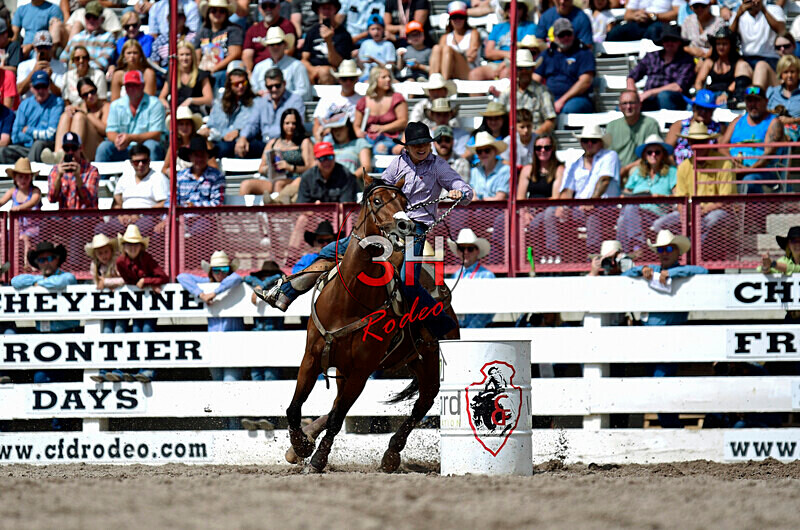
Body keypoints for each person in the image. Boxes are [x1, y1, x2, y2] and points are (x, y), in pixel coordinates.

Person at [260, 121, 473, 342]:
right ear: (407, 146)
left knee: (409, 283)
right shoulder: (398, 163)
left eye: (425, 143)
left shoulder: (438, 166)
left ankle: (441, 324)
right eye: (415, 144)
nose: (421, 147)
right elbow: (382, 188)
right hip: (388, 224)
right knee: (331, 250)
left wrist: (460, 192)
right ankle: (287, 291)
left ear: (430, 145)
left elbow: (464, 188)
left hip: (414, 229)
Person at [622, 230, 707, 428]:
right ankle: (672, 428)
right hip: (650, 341)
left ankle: (672, 428)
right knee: (657, 386)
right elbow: (626, 274)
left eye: (669, 248)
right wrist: (642, 269)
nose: (665, 253)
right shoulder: (652, 269)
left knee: (660, 384)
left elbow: (704, 272)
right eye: (661, 249)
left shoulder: (685, 273)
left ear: (678, 252)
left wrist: (673, 273)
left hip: (671, 341)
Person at [654, 122, 736, 244]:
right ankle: (684, 249)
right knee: (658, 225)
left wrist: (702, 211)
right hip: (691, 212)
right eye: (694, 142)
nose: (697, 146)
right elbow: (681, 199)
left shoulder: (724, 164)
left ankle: (691, 250)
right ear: (690, 144)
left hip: (716, 213)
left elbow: (725, 200)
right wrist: (685, 215)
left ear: (708, 142)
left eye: (701, 142)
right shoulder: (683, 167)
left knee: (713, 218)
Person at [553, 124, 620, 255]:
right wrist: (562, 206)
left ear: (601, 142)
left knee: (592, 215)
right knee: (551, 214)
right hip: (578, 209)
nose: (589, 144)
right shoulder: (575, 163)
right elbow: (567, 190)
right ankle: (554, 255)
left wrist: (592, 201)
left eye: (593, 140)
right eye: (585, 140)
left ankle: (592, 256)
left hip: (605, 209)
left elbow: (604, 180)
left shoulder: (610, 156)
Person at [116, 224, 168, 376]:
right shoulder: (120, 262)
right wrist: (148, 283)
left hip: (150, 302)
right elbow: (129, 282)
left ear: (140, 246)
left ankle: (148, 370)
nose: (132, 248)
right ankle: (135, 370)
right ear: (124, 246)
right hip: (136, 301)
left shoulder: (147, 258)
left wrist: (147, 281)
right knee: (136, 332)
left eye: (135, 245)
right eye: (129, 245)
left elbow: (163, 277)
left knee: (147, 331)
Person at [616, 134, 677, 254]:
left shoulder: (671, 172)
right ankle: (632, 251)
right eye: (649, 152)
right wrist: (624, 196)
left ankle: (631, 249)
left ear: (663, 154)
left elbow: (678, 196)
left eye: (657, 152)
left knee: (627, 214)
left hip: (659, 213)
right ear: (644, 155)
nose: (653, 155)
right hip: (636, 214)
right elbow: (627, 193)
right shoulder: (637, 172)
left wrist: (662, 197)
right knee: (624, 217)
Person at [720, 84, 784, 193]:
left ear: (766, 101)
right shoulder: (737, 121)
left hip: (762, 172)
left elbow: (768, 154)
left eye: (757, 101)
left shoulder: (773, 122)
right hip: (734, 168)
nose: (753, 105)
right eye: (749, 101)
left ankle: (750, 210)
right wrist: (733, 162)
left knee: (749, 181)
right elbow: (722, 147)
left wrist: (749, 169)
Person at [11, 242, 78, 341]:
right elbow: (15, 281)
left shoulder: (67, 276)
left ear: (57, 259)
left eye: (50, 258)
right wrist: (37, 281)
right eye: (42, 260)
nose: (46, 263)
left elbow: (59, 282)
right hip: (41, 334)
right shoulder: (36, 279)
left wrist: (38, 283)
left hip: (67, 333)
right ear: (37, 263)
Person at [240, 108, 314, 196]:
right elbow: (261, 168)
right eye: (287, 123)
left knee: (279, 184)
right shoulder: (273, 143)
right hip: (273, 179)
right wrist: (270, 168)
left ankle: (275, 207)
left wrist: (290, 167)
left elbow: (310, 167)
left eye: (294, 123)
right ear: (282, 124)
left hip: (294, 180)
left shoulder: (304, 142)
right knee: (246, 185)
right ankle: (240, 209)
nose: (290, 126)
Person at [97, 70, 166, 162]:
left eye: (135, 85)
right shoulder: (116, 105)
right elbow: (110, 131)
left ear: (142, 86)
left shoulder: (155, 104)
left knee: (152, 145)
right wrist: (118, 140)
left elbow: (156, 134)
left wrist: (130, 138)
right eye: (128, 85)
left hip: (144, 147)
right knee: (104, 147)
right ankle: (99, 176)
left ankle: (152, 176)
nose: (131, 88)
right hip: (123, 148)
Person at [236, 68, 304, 158]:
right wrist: (243, 137)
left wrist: (274, 142)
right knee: (240, 148)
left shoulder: (295, 101)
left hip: (285, 144)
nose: (274, 89)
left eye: (277, 85)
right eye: (270, 87)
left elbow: (297, 126)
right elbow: (252, 124)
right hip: (263, 143)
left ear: (284, 83)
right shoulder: (261, 102)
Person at [626, 24, 694, 111]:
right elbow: (631, 76)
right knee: (625, 103)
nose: (669, 43)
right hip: (648, 99)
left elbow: (678, 87)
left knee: (664, 96)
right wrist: (632, 95)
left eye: (673, 40)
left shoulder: (686, 60)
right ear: (662, 42)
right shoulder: (652, 56)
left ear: (679, 42)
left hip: (673, 99)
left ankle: (669, 124)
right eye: (666, 40)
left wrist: (650, 93)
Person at [534, 18, 596, 114]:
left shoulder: (583, 53)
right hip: (550, 98)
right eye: (561, 35)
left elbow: (585, 82)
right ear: (554, 37)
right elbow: (535, 79)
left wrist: (562, 101)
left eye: (569, 34)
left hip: (577, 98)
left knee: (569, 109)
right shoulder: (546, 55)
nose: (566, 37)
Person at [0, 71, 63, 163]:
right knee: (2, 151)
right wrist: (34, 137)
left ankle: (28, 174)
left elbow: (50, 134)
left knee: (38, 145)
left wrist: (29, 130)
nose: (41, 91)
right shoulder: (24, 104)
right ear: (31, 87)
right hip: (24, 148)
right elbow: (15, 135)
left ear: (49, 86)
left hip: (46, 148)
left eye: (44, 86)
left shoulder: (57, 103)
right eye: (37, 87)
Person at [201, 60, 258, 158]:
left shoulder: (255, 103)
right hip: (221, 140)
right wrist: (207, 131)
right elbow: (211, 125)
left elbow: (256, 125)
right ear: (230, 85)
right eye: (236, 84)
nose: (240, 87)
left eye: (243, 83)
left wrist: (239, 132)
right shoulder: (220, 102)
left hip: (243, 141)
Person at [469, 0, 537, 81]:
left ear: (523, 10)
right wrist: (507, 55)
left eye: (517, 7)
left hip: (517, 64)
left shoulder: (530, 27)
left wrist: (505, 62)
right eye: (509, 7)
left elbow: (526, 51)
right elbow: (488, 52)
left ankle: (502, 94)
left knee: (505, 74)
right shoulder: (498, 27)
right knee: (474, 74)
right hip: (495, 64)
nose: (512, 9)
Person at [46, 78, 108, 163]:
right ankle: (59, 153)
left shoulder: (105, 106)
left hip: (96, 146)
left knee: (79, 117)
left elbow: (105, 131)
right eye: (85, 95)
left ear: (96, 90)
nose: (90, 96)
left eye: (92, 92)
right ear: (81, 97)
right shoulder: (80, 106)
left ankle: (73, 152)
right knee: (66, 116)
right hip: (83, 146)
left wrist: (86, 114)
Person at [496, 50, 555, 136]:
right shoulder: (506, 93)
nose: (524, 72)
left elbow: (550, 121)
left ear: (533, 69)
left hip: (536, 142)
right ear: (515, 70)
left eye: (527, 68)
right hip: (512, 141)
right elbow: (498, 118)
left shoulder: (543, 92)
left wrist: (533, 138)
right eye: (520, 68)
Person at [606, 91, 660, 181]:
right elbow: (607, 155)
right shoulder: (611, 126)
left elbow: (653, 155)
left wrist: (626, 169)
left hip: (640, 168)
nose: (628, 107)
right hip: (616, 169)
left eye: (632, 103)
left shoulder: (650, 124)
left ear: (640, 104)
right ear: (619, 107)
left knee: (636, 172)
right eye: (624, 103)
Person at [354, 65, 408, 155]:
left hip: (391, 138)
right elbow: (356, 125)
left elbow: (403, 121)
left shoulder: (396, 98)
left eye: (389, 77)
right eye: (384, 77)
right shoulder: (363, 101)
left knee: (380, 148)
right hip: (368, 138)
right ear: (375, 79)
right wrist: (358, 132)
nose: (388, 80)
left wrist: (382, 128)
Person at [694, 26, 753, 108]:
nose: (721, 47)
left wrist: (726, 94)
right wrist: (701, 95)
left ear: (731, 45)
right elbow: (699, 81)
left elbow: (737, 81)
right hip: (710, 95)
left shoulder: (738, 63)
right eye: (718, 44)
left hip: (729, 96)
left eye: (724, 44)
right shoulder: (710, 62)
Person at [448, 228, 495, 328]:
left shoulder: (487, 276)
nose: (465, 252)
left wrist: (471, 328)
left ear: (477, 251)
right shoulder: (455, 276)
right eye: (461, 249)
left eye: (470, 248)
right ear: (458, 251)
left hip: (478, 331)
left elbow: (488, 308)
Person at [85, 233, 126, 345]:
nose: (104, 256)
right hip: (107, 304)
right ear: (96, 255)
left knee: (119, 329)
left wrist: (106, 282)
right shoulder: (95, 266)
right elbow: (97, 284)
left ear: (111, 251)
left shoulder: (117, 262)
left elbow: (125, 279)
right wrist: (104, 283)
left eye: (106, 252)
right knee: (107, 330)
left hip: (123, 303)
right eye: (100, 253)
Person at [666, 89, 725, 166]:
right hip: (680, 168)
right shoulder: (679, 125)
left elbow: (722, 150)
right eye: (700, 108)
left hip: (709, 171)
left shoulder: (719, 129)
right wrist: (677, 170)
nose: (703, 112)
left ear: (713, 110)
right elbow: (667, 152)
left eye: (707, 109)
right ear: (693, 108)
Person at [301, 0, 355, 85]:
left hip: (334, 73)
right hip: (313, 70)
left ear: (335, 10)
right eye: (323, 8)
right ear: (318, 10)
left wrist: (328, 42)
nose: (326, 11)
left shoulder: (343, 34)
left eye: (329, 8)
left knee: (325, 72)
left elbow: (339, 64)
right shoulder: (312, 32)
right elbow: (304, 58)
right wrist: (314, 70)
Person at [194, 0, 244, 90]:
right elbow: (196, 54)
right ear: (208, 13)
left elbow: (235, 54)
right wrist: (200, 70)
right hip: (204, 70)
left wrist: (214, 69)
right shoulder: (202, 31)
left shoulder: (234, 30)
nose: (218, 13)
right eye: (214, 10)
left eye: (222, 11)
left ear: (226, 14)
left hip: (223, 70)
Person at [0, 159, 41, 265]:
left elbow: (33, 202)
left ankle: (26, 265)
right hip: (16, 229)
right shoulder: (13, 191)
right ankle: (4, 265)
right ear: (15, 178)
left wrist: (20, 208)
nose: (23, 180)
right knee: (2, 237)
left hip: (33, 230)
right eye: (20, 176)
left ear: (31, 178)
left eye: (26, 177)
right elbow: (2, 201)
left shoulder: (35, 191)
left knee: (25, 239)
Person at [251, 26, 311, 98]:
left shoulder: (297, 66)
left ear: (285, 44)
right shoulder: (259, 67)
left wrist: (282, 95)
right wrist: (259, 94)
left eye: (279, 43)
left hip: (289, 107)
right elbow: (252, 90)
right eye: (272, 44)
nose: (275, 47)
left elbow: (305, 93)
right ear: (267, 46)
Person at [157, 40, 212, 114]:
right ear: (177, 57)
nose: (185, 58)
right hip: (175, 113)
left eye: (188, 54)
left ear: (192, 56)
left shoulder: (201, 74)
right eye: (182, 55)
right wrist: (167, 107)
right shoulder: (172, 74)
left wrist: (191, 100)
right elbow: (161, 97)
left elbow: (209, 99)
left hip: (194, 113)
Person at [47, 132, 99, 209]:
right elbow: (52, 199)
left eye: (74, 148)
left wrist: (78, 177)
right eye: (67, 149)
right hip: (66, 218)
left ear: (80, 148)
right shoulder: (56, 170)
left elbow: (89, 200)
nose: (70, 152)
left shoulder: (91, 170)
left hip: (86, 218)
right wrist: (59, 177)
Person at [313, 60, 362, 142]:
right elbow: (317, 123)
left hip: (352, 138)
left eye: (352, 79)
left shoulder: (362, 101)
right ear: (339, 80)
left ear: (357, 79)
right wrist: (318, 140)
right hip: (328, 136)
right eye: (344, 79)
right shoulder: (327, 98)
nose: (348, 82)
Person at [243, 0, 298, 73]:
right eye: (264, 6)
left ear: (278, 7)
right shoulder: (253, 30)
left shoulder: (287, 26)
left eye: (272, 6)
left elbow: (289, 50)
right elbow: (247, 55)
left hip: (283, 69)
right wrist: (249, 73)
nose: (268, 9)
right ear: (259, 8)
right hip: (258, 71)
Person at [59, 2, 116, 73]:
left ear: (102, 19)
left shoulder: (108, 37)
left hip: (93, 76)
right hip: (73, 76)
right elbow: (63, 57)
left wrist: (82, 69)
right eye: (88, 17)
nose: (91, 20)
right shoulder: (77, 37)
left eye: (95, 17)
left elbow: (103, 62)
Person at [163, 106, 218, 178]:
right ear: (176, 127)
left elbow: (214, 167)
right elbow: (164, 168)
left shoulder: (202, 142)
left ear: (192, 126)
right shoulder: (175, 145)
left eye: (187, 124)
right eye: (181, 124)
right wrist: (169, 172)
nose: (184, 127)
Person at [429, 2, 479, 81]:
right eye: (454, 17)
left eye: (461, 17)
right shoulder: (445, 37)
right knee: (436, 48)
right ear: (450, 20)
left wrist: (452, 55)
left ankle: (443, 83)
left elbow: (471, 58)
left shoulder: (473, 33)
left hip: (468, 70)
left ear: (465, 18)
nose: (458, 20)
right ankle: (434, 82)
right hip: (450, 70)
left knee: (447, 49)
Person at [731, 0, 785, 70]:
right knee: (741, 67)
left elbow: (781, 30)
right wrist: (738, 16)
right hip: (747, 58)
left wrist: (763, 10)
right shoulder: (738, 14)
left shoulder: (774, 9)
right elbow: (730, 36)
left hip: (770, 57)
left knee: (760, 67)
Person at [113, 143, 169, 209]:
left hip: (149, 217)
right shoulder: (124, 179)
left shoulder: (159, 178)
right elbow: (117, 202)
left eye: (144, 161)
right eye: (136, 162)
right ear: (131, 163)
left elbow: (165, 203)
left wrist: (142, 214)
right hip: (125, 216)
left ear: (149, 160)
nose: (140, 164)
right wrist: (121, 216)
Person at [177, 135, 225, 207]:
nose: (199, 159)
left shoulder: (216, 177)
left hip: (207, 217)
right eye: (196, 155)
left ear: (207, 156)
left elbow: (218, 203)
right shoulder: (180, 177)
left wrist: (195, 206)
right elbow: (170, 202)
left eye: (202, 155)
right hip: (183, 217)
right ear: (190, 157)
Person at [16, 31, 66, 100]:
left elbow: (62, 94)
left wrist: (49, 79)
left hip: (52, 106)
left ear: (52, 47)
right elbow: (19, 91)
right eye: (40, 47)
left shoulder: (61, 66)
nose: (43, 50)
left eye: (46, 47)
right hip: (30, 105)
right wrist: (34, 72)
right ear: (34, 48)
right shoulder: (23, 65)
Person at [516, 131, 564, 199]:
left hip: (551, 208)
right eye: (538, 148)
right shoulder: (527, 170)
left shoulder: (559, 170)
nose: (543, 150)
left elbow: (555, 198)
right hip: (530, 208)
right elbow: (520, 198)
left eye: (547, 148)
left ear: (552, 149)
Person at [606, 0, 679, 42]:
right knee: (616, 32)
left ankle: (651, 61)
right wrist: (635, 16)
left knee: (653, 30)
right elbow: (627, 15)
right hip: (638, 23)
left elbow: (677, 13)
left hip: (662, 22)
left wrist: (654, 16)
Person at [150, 3, 196, 69]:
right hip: (166, 71)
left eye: (179, 17)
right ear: (167, 19)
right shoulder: (160, 40)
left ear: (185, 19)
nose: (176, 20)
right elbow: (155, 63)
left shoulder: (194, 37)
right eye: (173, 17)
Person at [327, 115, 372, 180]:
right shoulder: (330, 147)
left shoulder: (360, 143)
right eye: (334, 129)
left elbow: (366, 167)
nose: (337, 131)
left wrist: (350, 179)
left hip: (352, 184)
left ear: (348, 128)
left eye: (340, 127)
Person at [468, 132, 510, 200]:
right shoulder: (475, 171)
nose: (483, 154)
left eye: (487, 150)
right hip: (478, 209)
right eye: (479, 151)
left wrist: (479, 201)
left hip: (498, 210)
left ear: (495, 151)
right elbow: (473, 195)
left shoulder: (505, 170)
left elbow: (500, 198)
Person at [767, 54, 800, 140]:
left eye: (792, 72)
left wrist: (792, 120)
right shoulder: (773, 92)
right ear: (781, 74)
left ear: (798, 73)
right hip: (773, 129)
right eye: (786, 72)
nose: (789, 75)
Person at [357, 14, 396, 81]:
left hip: (382, 76)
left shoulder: (388, 45)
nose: (376, 32)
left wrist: (375, 61)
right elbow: (362, 68)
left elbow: (390, 69)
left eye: (378, 29)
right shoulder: (365, 44)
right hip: (366, 76)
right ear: (368, 31)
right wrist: (357, 57)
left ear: (383, 30)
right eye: (373, 29)